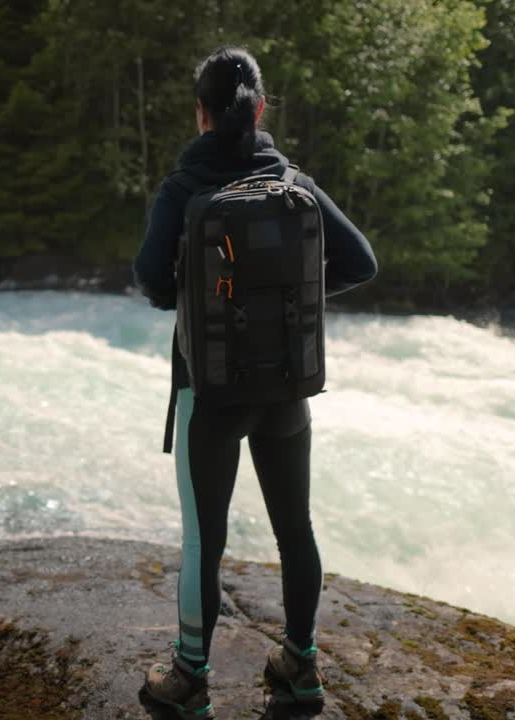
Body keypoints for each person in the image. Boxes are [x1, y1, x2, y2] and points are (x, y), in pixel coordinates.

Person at [133, 46, 377, 719]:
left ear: (201, 115)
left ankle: (188, 677)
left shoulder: (184, 189)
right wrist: (288, 299)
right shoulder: (291, 182)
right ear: (261, 110)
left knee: (203, 542)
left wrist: (200, 298)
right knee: (294, 528)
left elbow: (151, 279)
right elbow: (361, 262)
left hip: (208, 392)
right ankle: (300, 668)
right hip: (287, 389)